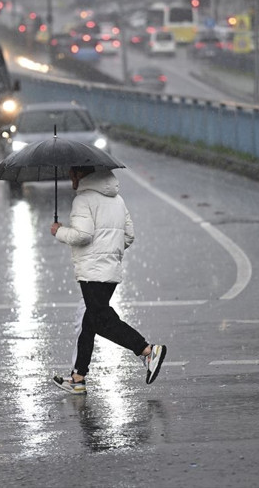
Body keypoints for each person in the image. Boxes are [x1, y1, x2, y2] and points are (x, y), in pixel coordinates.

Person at [50, 166, 166, 394]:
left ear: (80, 174)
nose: (69, 178)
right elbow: (129, 235)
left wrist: (59, 231)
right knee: (90, 322)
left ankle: (146, 350)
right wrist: (109, 250)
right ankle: (78, 377)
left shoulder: (83, 200)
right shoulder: (117, 200)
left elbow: (83, 235)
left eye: (71, 173)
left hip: (92, 272)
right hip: (110, 271)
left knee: (101, 320)